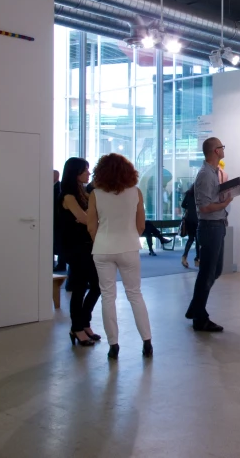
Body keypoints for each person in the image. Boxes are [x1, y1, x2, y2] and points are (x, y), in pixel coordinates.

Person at [87, 154, 153, 359]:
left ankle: (113, 345)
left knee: (108, 296)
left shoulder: (95, 194)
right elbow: (141, 225)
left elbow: (91, 226)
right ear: (128, 171)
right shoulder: (136, 193)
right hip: (128, 247)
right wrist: (130, 237)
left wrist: (102, 240)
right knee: (135, 294)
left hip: (102, 248)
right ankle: (147, 342)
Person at [185, 137, 233, 332]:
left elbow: (209, 199)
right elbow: (204, 207)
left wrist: (222, 197)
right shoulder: (205, 174)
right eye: (222, 146)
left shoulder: (214, 173)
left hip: (218, 225)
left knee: (215, 271)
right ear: (215, 151)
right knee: (207, 273)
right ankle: (200, 317)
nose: (223, 149)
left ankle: (195, 308)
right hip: (210, 227)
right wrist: (223, 204)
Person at [58, 157, 101, 347]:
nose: (88, 173)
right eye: (85, 170)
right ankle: (78, 327)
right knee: (80, 287)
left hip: (86, 245)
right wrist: (91, 219)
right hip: (75, 247)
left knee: (95, 285)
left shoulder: (83, 192)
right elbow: (84, 218)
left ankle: (83, 323)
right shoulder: (68, 196)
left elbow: (89, 217)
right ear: (75, 173)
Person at [180, 184, 199, 269]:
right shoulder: (200, 194)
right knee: (198, 240)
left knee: (191, 239)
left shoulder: (189, 193)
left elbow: (183, 205)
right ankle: (197, 259)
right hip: (198, 219)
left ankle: (184, 257)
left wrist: (190, 208)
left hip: (189, 219)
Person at [53, 170, 67, 273]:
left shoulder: (60, 187)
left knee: (60, 242)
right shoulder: (48, 186)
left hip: (59, 219)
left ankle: (61, 264)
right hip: (52, 219)